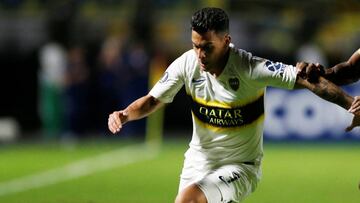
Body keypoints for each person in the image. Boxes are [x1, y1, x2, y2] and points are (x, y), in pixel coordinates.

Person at [108, 7, 359, 203]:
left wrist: (351, 103)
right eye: (196, 46)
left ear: (226, 40)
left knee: (188, 199)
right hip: (197, 162)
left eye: (207, 48)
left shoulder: (250, 68)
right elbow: (153, 100)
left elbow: (309, 81)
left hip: (241, 166)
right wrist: (125, 114)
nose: (200, 55)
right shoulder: (187, 64)